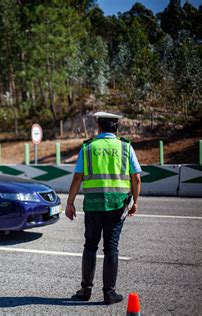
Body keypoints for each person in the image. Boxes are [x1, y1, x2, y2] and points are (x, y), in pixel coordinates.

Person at [65, 112, 142, 305]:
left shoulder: (89, 147)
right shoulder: (125, 147)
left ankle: (85, 291)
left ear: (98, 128)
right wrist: (135, 201)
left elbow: (77, 177)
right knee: (111, 248)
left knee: (90, 246)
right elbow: (137, 178)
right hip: (118, 204)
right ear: (116, 128)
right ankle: (109, 293)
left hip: (93, 204)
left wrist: (70, 202)